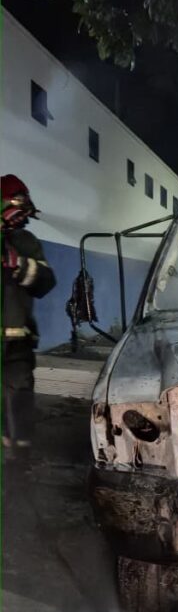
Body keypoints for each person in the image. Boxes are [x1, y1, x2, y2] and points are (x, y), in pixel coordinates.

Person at [2, 174, 56, 461]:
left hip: (17, 344)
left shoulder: (25, 241)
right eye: (15, 204)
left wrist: (18, 264)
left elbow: (46, 282)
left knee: (19, 403)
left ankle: (20, 466)